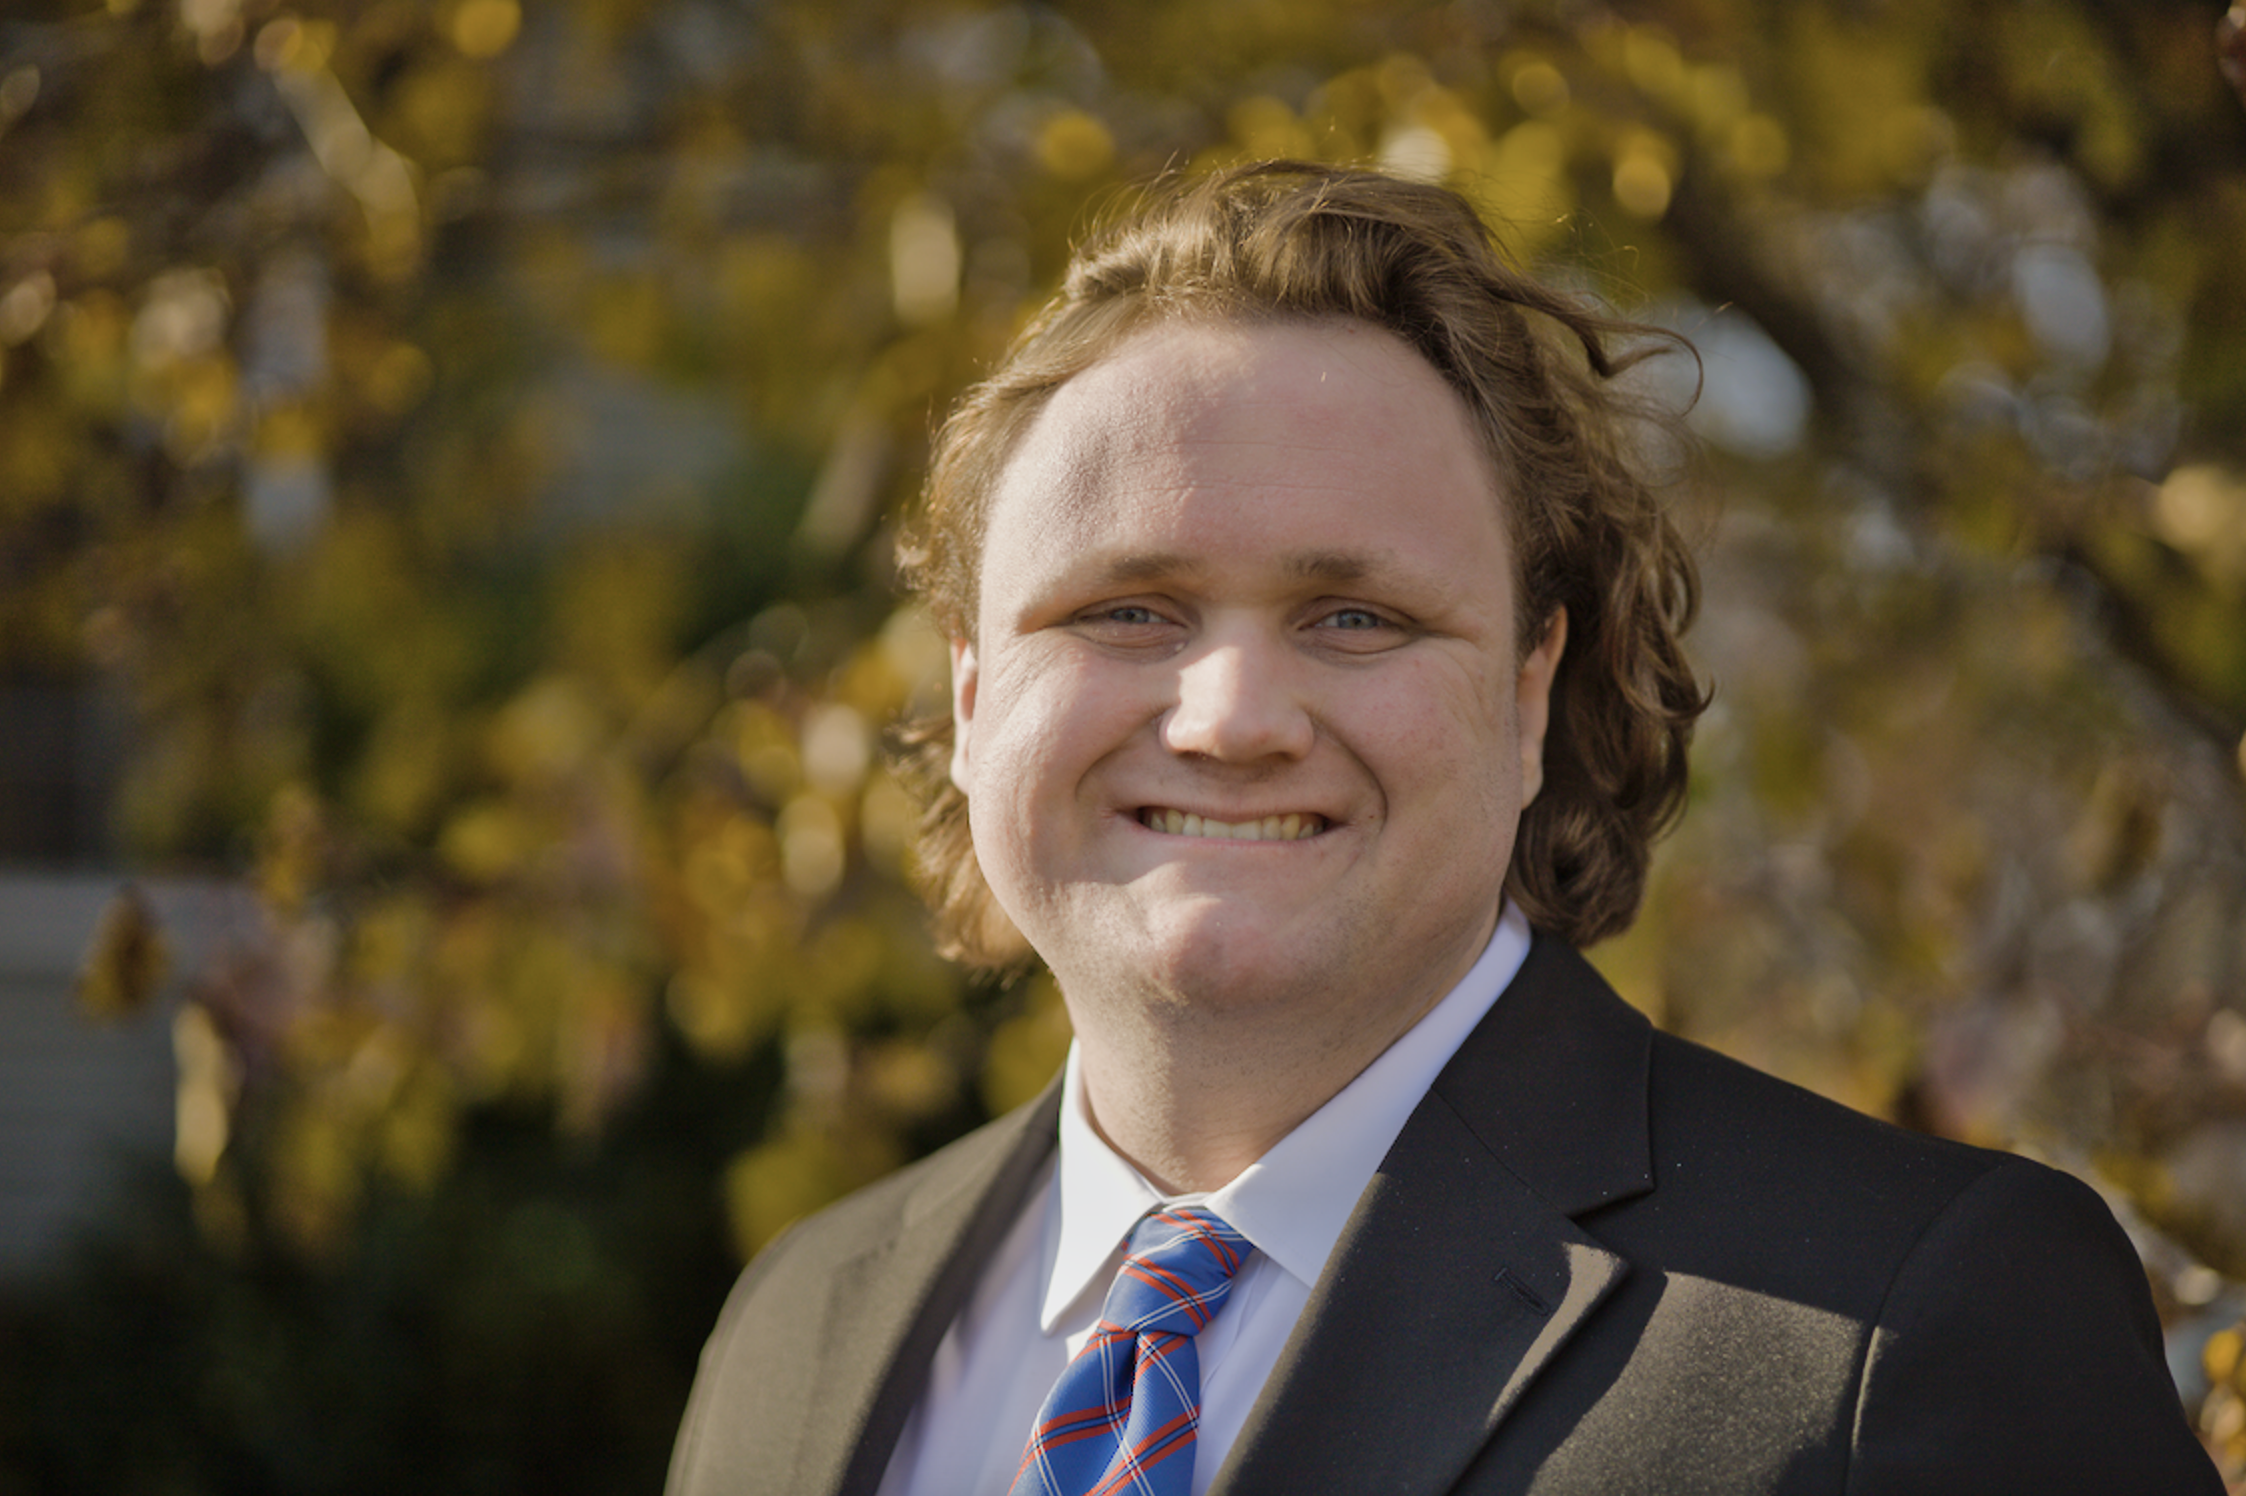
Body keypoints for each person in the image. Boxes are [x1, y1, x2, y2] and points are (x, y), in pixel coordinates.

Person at [666, 161, 2222, 1495]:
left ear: (1534, 688)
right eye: (1124, 608)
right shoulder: (800, 1326)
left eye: (1354, 615)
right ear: (971, 687)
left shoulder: (1909, 1320)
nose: (1228, 715)